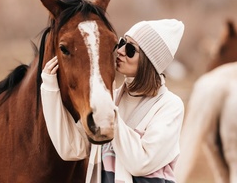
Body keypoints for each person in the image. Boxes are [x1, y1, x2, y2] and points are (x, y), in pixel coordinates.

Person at [41, 19, 185, 183]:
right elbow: (72, 149)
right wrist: (50, 89)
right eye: (123, 42)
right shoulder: (113, 100)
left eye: (131, 49)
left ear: (149, 61)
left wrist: (108, 108)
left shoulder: (169, 106)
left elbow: (142, 162)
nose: (121, 51)